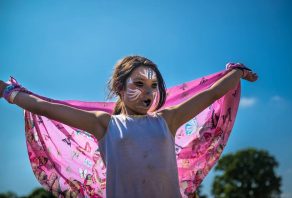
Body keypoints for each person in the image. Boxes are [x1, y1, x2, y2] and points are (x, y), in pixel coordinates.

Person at [0, 55, 258, 198]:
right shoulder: (104, 125)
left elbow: (212, 94)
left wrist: (237, 72)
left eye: (153, 86)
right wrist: (7, 92)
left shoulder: (167, 119)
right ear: (120, 88)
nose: (148, 92)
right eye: (139, 85)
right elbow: (44, 107)